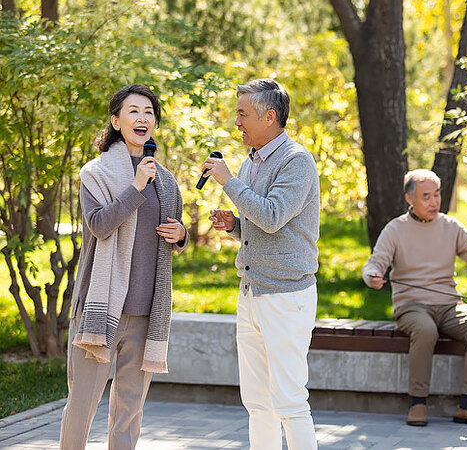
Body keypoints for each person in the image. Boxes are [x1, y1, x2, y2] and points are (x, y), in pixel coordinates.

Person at [60, 84, 189, 449]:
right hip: (101, 310)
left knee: (129, 411)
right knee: (82, 405)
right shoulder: (96, 173)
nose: (143, 118)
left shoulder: (163, 178)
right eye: (134, 111)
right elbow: (99, 225)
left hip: (146, 310)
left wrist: (181, 234)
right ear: (116, 121)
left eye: (149, 112)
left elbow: (172, 230)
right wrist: (134, 187)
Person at [204, 78, 320, 450]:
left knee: (288, 401)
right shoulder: (251, 160)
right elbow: (264, 225)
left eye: (242, 113)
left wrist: (229, 182)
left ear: (269, 117)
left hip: (286, 296)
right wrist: (235, 226)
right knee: (257, 403)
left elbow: (272, 216)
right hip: (252, 292)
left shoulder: (296, 161)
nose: (236, 121)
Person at [362, 169, 467, 428]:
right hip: (411, 306)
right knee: (426, 331)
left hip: (449, 305)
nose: (434, 202)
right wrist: (373, 275)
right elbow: (375, 263)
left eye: (437, 195)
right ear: (409, 199)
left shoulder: (450, 226)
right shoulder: (395, 229)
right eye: (426, 196)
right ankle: (418, 403)